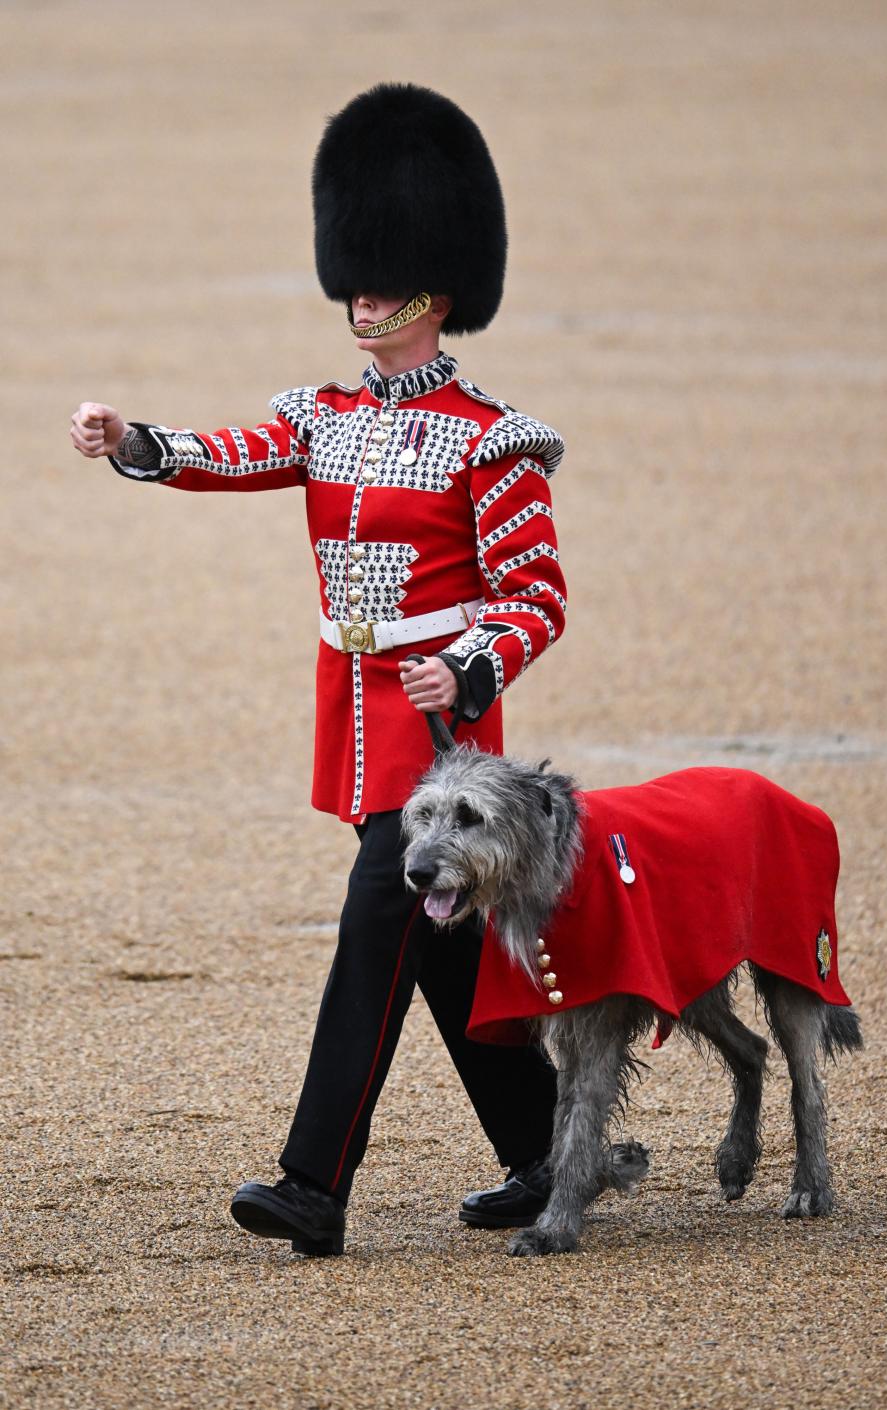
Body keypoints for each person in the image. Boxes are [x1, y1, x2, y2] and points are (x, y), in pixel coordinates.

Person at [70, 83, 567, 1256]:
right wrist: (136, 441)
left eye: (385, 278)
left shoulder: (493, 438)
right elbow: (233, 453)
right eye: (357, 274)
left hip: (441, 752)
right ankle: (553, 1153)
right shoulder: (327, 415)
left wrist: (470, 668)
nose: (363, 294)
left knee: (375, 929)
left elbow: (534, 597)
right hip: (354, 717)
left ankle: (312, 1184)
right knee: (441, 950)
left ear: (439, 291)